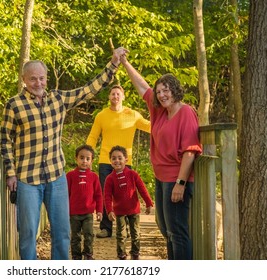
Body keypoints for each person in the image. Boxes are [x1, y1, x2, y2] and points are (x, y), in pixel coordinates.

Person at [0, 47, 127, 260]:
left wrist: (113, 64)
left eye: (41, 78)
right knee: (28, 233)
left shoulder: (58, 99)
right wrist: (10, 173)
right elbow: (5, 140)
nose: (38, 83)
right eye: (33, 79)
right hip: (26, 179)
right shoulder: (14, 105)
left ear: (46, 78)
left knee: (62, 232)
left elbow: (89, 90)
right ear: (24, 79)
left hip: (56, 176)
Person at [120, 55, 202, 260]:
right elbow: (141, 86)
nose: (162, 94)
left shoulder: (186, 113)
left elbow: (190, 151)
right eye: (159, 92)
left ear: (175, 89)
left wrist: (180, 183)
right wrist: (124, 63)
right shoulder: (159, 112)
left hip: (176, 179)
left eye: (166, 90)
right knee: (167, 230)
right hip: (161, 178)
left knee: (177, 231)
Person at [86, 85, 150, 238]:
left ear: (123, 96)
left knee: (126, 195)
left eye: (118, 94)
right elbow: (93, 136)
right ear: (109, 97)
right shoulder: (101, 116)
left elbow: (150, 127)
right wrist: (88, 154)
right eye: (112, 94)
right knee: (104, 193)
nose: (115, 96)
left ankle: (127, 228)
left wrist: (164, 117)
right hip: (105, 161)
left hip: (125, 161)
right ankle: (106, 228)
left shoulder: (133, 114)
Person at [104, 145, 153, 260]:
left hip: (133, 209)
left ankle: (135, 253)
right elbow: (106, 196)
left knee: (135, 233)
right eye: (114, 158)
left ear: (126, 159)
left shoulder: (132, 174)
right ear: (110, 161)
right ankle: (121, 253)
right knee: (121, 234)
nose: (117, 161)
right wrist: (109, 211)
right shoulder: (110, 178)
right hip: (119, 211)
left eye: (120, 158)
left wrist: (148, 202)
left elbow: (142, 189)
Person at [66, 144, 103, 260]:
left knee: (88, 234)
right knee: (75, 236)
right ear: (76, 158)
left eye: (88, 159)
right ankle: (76, 256)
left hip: (88, 213)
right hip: (74, 213)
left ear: (92, 160)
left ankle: (88, 254)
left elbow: (98, 195)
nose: (84, 161)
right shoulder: (70, 176)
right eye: (81, 158)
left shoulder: (94, 177)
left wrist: (99, 211)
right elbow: (66, 195)